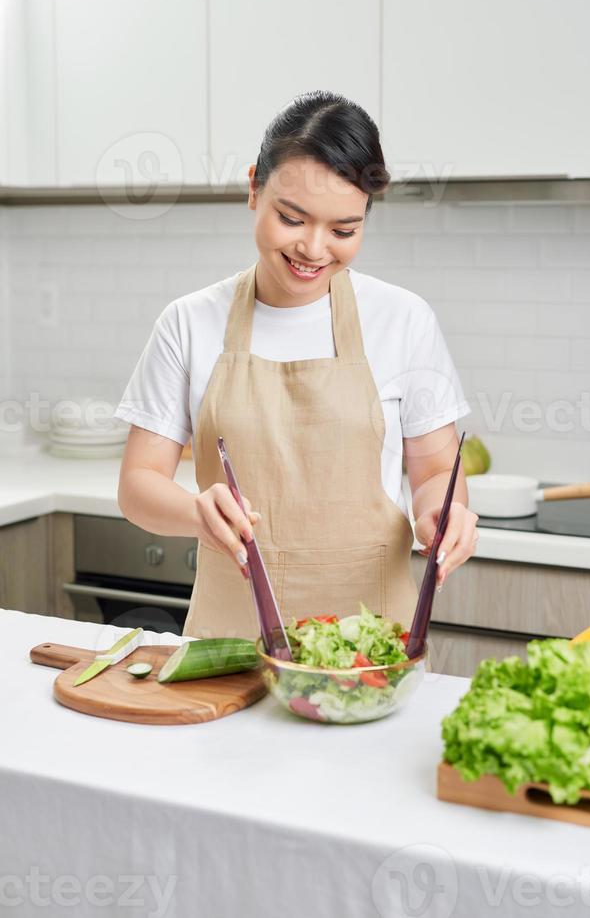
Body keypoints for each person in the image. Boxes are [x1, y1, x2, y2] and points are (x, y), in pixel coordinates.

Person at [114, 89, 478, 646]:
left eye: (343, 230)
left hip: (370, 650)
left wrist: (443, 514)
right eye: (292, 218)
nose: (312, 249)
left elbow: (433, 473)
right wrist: (195, 511)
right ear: (254, 186)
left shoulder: (403, 320)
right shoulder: (189, 322)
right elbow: (138, 485)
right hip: (228, 648)